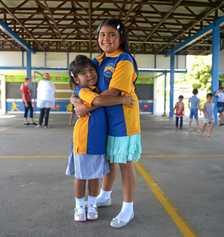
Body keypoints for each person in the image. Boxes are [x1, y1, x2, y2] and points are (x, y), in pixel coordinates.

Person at [73, 19, 142, 228]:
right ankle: (106, 194)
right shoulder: (99, 60)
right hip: (105, 121)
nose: (106, 39)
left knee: (125, 164)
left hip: (123, 121)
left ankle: (128, 208)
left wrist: (86, 106)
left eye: (112, 34)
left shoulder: (124, 61)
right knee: (109, 161)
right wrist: (75, 100)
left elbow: (112, 94)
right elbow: (81, 83)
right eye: (102, 34)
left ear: (121, 37)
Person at [66, 55, 133, 222]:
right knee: (81, 176)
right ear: (75, 78)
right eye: (83, 73)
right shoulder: (83, 91)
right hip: (83, 139)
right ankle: (79, 205)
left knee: (95, 175)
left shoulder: (96, 88)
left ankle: (92, 203)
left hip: (98, 141)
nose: (89, 74)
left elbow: (95, 99)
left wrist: (77, 103)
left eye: (91, 70)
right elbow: (99, 101)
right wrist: (122, 99)